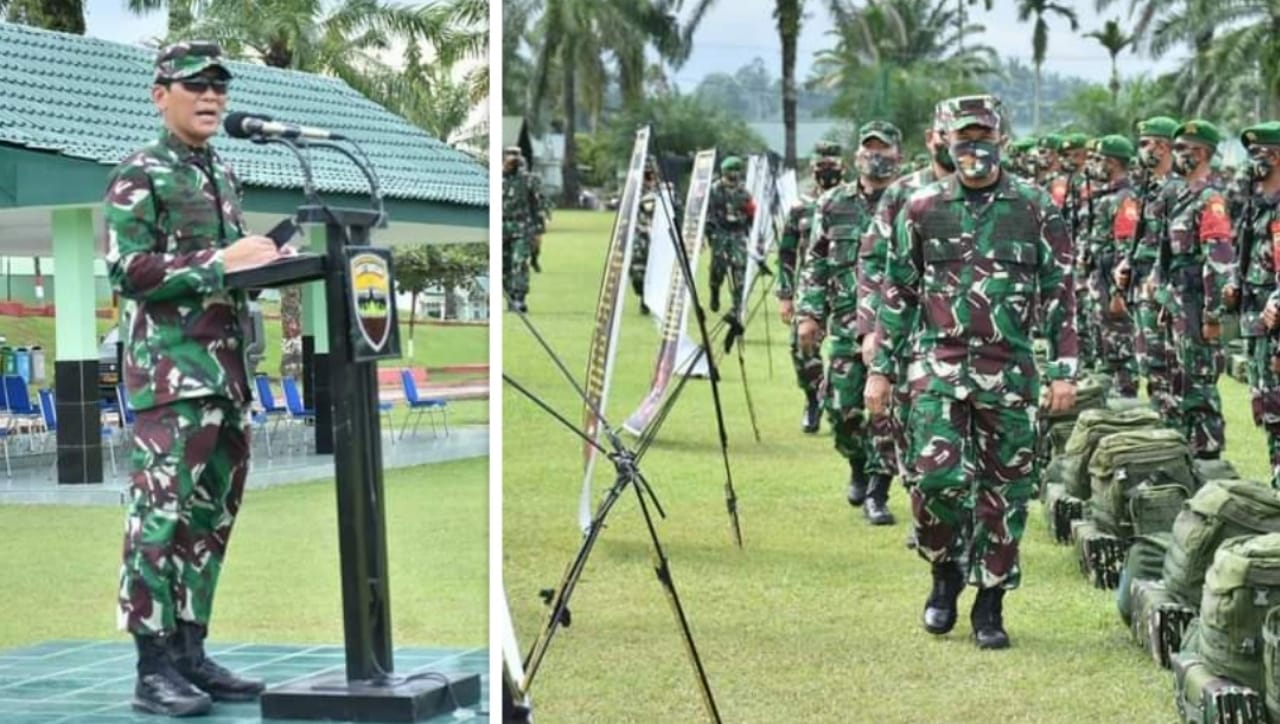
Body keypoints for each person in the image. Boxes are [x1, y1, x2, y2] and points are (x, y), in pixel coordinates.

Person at [106, 41, 284, 717]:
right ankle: (152, 668)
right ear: (161, 94)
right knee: (159, 517)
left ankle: (191, 651)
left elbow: (227, 267)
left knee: (209, 519)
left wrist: (265, 259)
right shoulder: (139, 173)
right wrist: (221, 261)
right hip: (170, 377)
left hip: (228, 375)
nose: (211, 98)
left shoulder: (224, 174)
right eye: (195, 86)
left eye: (219, 87)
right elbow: (130, 272)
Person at [866, 95, 1078, 649]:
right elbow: (898, 292)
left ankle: (990, 602)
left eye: (983, 138)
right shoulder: (922, 207)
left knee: (1005, 493)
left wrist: (1063, 371)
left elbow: (1059, 295)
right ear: (945, 144)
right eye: (963, 140)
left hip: (1009, 372)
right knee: (935, 481)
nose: (973, 149)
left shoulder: (1035, 209)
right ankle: (944, 574)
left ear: (1003, 141)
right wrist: (881, 371)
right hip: (937, 369)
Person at [856, 102, 957, 537]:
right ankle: (906, 500)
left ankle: (944, 515)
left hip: (960, 336)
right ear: (932, 139)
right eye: (942, 134)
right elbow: (875, 261)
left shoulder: (987, 192)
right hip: (908, 330)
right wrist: (871, 329)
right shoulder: (905, 194)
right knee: (908, 420)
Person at [797, 121, 901, 524]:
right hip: (844, 323)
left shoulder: (911, 201)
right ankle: (857, 465)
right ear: (856, 156)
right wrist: (809, 312)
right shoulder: (833, 203)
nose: (876, 158)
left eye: (884, 150)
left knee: (887, 411)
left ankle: (878, 490)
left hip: (895, 327)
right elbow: (816, 260)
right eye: (869, 149)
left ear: (899, 156)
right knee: (842, 408)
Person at [1152, 120, 1234, 459]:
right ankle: (1181, 453)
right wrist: (1163, 300)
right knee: (1177, 379)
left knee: (1199, 382)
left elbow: (1218, 261)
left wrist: (1213, 315)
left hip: (1198, 302)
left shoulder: (1209, 199)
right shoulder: (1176, 195)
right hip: (1177, 301)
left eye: (1185, 149)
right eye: (1178, 148)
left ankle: (1207, 455)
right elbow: (1168, 255)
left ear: (1202, 153)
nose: (1178, 154)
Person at [1115, 117, 1182, 417]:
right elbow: (1143, 236)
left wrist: (1158, 279)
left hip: (1163, 288)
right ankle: (1161, 427)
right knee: (1150, 363)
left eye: (1145, 144)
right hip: (1141, 284)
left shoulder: (1178, 190)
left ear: (1163, 146)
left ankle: (1175, 432)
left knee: (1167, 364)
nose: (1141, 151)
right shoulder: (1147, 189)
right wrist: (1127, 263)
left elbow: (1176, 244)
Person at [777, 142, 844, 433]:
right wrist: (785, 294)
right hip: (810, 289)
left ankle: (845, 406)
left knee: (848, 352)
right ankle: (814, 397)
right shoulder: (799, 207)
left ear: (843, 167)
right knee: (801, 347)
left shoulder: (853, 200)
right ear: (813, 167)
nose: (826, 171)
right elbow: (787, 252)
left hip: (847, 288)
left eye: (832, 165)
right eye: (821, 166)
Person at [1232, 122, 1280, 487]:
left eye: (1257, 154)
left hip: (1274, 320)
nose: (1249, 164)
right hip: (1257, 323)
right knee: (1267, 409)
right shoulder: (1255, 206)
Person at [1083, 135, 1141, 396]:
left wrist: (1119, 294)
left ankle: (1125, 399)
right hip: (1099, 277)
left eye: (1098, 159)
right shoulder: (1104, 194)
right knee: (1103, 343)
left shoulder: (1124, 198)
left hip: (1112, 281)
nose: (1093, 164)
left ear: (1113, 162)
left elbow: (1126, 249)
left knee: (1119, 346)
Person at [705, 156, 755, 317]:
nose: (734, 175)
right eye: (731, 172)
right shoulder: (714, 190)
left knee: (740, 269)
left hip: (738, 234)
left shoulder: (744, 193)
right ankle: (715, 291)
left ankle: (737, 306)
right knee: (717, 270)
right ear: (724, 172)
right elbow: (707, 212)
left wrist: (748, 226)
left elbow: (751, 213)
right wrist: (709, 229)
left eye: (737, 171)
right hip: (720, 233)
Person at [502, 146, 542, 312]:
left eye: (516, 155)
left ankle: (519, 298)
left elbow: (537, 206)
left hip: (522, 228)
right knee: (504, 265)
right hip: (501, 227)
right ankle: (510, 296)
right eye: (510, 155)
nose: (513, 159)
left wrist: (538, 232)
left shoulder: (529, 180)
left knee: (519, 262)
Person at [629, 157, 660, 315]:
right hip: (638, 238)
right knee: (637, 275)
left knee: (655, 273)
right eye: (646, 174)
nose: (649, 178)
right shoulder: (632, 192)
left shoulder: (664, 191)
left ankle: (646, 301)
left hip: (658, 240)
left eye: (651, 174)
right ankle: (642, 294)